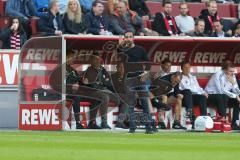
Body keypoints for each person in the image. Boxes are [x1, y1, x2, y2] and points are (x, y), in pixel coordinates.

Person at [116, 31, 156, 134]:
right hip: (129, 79)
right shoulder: (122, 50)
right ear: (124, 38)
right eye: (126, 37)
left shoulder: (140, 49)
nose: (128, 38)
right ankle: (132, 127)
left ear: (133, 38)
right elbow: (118, 58)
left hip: (140, 78)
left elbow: (148, 63)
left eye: (130, 37)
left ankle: (148, 127)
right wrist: (119, 46)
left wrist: (145, 73)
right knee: (131, 104)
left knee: (144, 103)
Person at [83, 52, 114, 129]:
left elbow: (109, 82)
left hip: (104, 90)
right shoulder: (89, 70)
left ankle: (121, 121)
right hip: (93, 92)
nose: (97, 61)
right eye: (95, 59)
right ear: (91, 60)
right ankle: (104, 122)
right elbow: (90, 84)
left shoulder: (102, 69)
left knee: (124, 97)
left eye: (99, 59)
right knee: (105, 97)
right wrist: (102, 83)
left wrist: (103, 83)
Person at [205, 61, 240, 130]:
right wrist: (235, 96)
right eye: (230, 71)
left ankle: (234, 124)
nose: (232, 73)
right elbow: (221, 91)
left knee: (236, 100)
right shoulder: (218, 74)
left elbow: (238, 92)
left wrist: (234, 84)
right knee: (222, 97)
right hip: (210, 96)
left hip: (224, 97)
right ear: (224, 70)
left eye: (233, 71)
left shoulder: (233, 76)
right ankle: (223, 120)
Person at [66, 51, 84, 129]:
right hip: (65, 93)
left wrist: (82, 80)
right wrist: (71, 86)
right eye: (71, 57)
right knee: (76, 97)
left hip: (74, 92)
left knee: (94, 98)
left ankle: (92, 123)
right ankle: (77, 123)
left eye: (73, 57)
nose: (73, 59)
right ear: (65, 57)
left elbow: (79, 80)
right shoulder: (61, 68)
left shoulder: (72, 69)